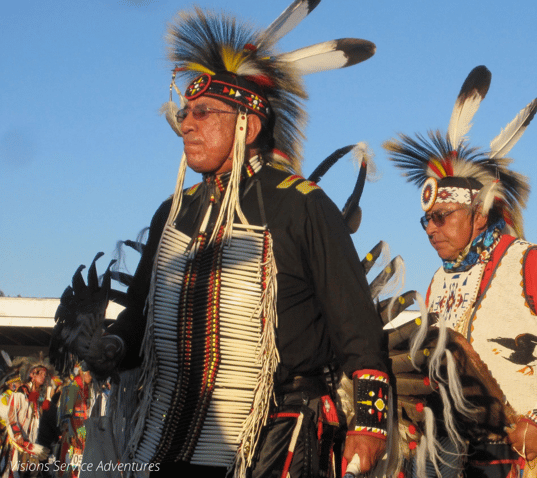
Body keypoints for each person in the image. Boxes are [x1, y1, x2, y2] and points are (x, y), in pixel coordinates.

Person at [63, 3, 390, 477]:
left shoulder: (301, 205)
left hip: (274, 434)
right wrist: (108, 346)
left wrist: (371, 424)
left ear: (248, 126)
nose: (186, 123)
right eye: (185, 112)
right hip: (170, 434)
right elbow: (138, 324)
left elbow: (358, 331)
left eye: (203, 112)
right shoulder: (174, 212)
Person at [386, 65, 537, 478]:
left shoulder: (532, 264)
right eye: (426, 221)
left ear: (480, 214)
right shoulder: (440, 281)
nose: (431, 229)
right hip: (454, 454)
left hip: (526, 456)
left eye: (443, 216)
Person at [2, 358, 50, 478]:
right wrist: (19, 436)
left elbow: (36, 424)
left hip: (32, 447)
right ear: (32, 375)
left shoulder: (36, 397)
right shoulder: (19, 393)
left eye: (45, 374)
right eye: (41, 374)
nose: (44, 377)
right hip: (18, 446)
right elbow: (12, 417)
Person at [56, 364, 93, 478]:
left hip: (82, 430)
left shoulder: (86, 388)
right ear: (81, 372)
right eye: (88, 372)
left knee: (80, 464)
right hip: (74, 432)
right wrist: (72, 435)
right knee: (71, 465)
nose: (91, 376)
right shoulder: (73, 388)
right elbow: (67, 415)